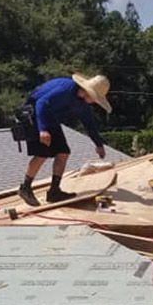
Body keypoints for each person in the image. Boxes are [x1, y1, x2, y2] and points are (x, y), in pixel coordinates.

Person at [17, 73, 112, 207]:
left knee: (63, 152)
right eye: (96, 99)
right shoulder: (66, 88)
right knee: (42, 153)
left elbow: (89, 123)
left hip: (51, 118)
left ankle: (54, 191)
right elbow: (41, 103)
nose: (95, 102)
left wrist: (99, 145)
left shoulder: (82, 103)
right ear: (88, 93)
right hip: (35, 115)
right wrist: (43, 130)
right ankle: (25, 188)